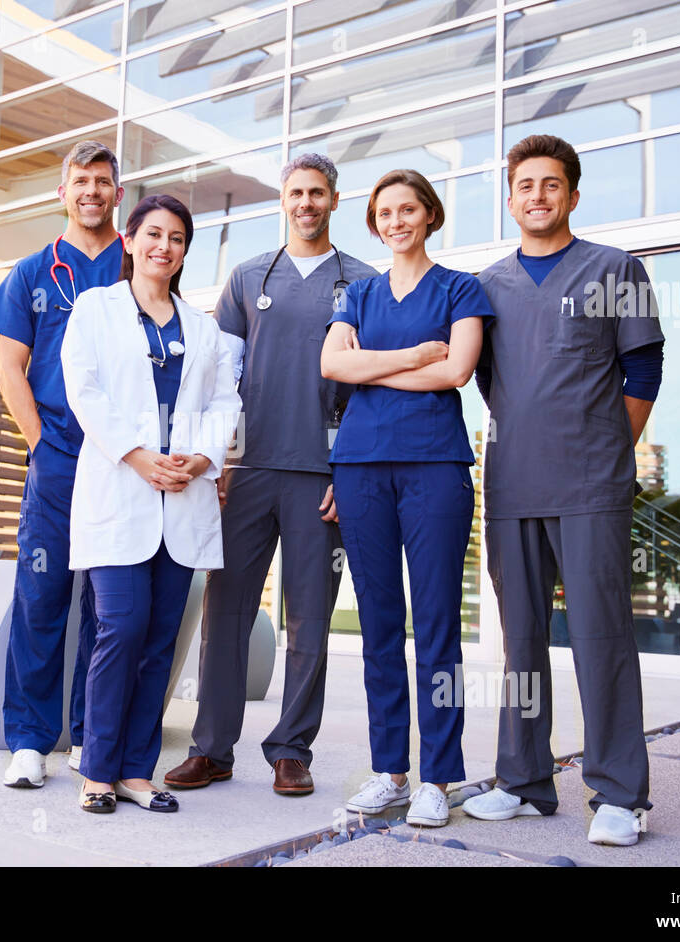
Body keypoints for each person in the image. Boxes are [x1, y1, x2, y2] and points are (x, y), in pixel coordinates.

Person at [461, 134, 663, 847]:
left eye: (552, 184)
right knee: (519, 641)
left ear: (572, 195)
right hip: (513, 483)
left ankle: (619, 794)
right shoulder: (485, 285)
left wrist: (606, 447)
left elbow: (644, 371)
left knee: (602, 636)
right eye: (526, 185)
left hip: (590, 485)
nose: (538, 196)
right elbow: (490, 381)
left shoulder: (615, 269)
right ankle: (522, 781)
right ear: (510, 199)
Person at [162, 154, 380, 797]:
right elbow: (219, 379)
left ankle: (291, 750)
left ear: (334, 200)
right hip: (247, 471)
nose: (306, 203)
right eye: (295, 193)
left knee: (310, 620)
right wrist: (215, 460)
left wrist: (349, 471)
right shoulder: (247, 278)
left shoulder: (363, 282)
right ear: (283, 201)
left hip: (321, 475)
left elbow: (369, 390)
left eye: (317, 193)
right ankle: (212, 748)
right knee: (225, 612)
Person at [320, 169, 494, 826]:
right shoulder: (357, 293)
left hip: (434, 468)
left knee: (438, 623)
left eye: (407, 210)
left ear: (429, 215)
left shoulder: (461, 288)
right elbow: (333, 365)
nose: (396, 222)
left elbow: (457, 371)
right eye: (384, 213)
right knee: (379, 624)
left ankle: (438, 778)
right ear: (375, 224)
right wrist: (416, 354)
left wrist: (376, 365)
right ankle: (391, 772)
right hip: (360, 468)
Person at [61, 194, 241, 814]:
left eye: (177, 238)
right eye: (154, 234)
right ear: (130, 241)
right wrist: (137, 455)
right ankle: (97, 768)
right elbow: (83, 388)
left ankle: (137, 772)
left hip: (182, 495)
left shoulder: (204, 329)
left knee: (161, 638)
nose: (165, 246)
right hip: (121, 488)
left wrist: (202, 459)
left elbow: (225, 402)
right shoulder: (95, 308)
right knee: (121, 626)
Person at [0, 141, 123, 788]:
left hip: (122, 459)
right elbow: (9, 366)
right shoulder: (32, 272)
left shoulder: (138, 261)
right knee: (40, 600)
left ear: (118, 193)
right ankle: (29, 743)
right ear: (63, 193)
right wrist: (39, 442)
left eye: (102, 181)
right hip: (57, 457)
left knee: (108, 607)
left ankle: (90, 740)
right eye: (80, 181)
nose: (91, 191)